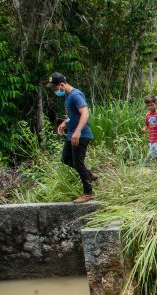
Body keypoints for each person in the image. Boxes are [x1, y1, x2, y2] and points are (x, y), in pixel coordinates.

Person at [46, 72, 96, 204]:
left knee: (78, 163)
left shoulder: (75, 95)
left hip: (80, 135)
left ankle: (88, 193)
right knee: (65, 159)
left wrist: (78, 131)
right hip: (72, 134)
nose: (55, 91)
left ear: (62, 85)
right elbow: (71, 115)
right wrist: (64, 124)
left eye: (55, 88)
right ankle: (89, 175)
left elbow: (85, 113)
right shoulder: (68, 96)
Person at [142, 95, 157, 160]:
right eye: (148, 106)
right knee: (153, 153)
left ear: (156, 104)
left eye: (152, 105)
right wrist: (144, 128)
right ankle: (155, 162)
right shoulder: (147, 115)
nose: (150, 107)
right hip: (152, 138)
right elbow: (147, 124)